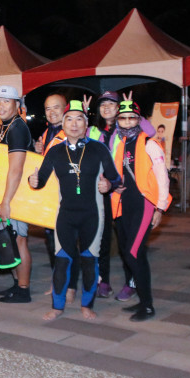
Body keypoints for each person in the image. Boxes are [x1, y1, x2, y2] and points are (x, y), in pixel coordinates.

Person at [29, 100, 121, 321]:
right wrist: (32, 180)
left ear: (86, 124)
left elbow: (116, 178)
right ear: (63, 124)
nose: (74, 124)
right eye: (69, 119)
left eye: (79, 119)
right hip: (66, 216)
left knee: (89, 260)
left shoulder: (99, 149)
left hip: (93, 215)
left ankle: (87, 305)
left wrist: (108, 185)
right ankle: (57, 307)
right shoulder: (55, 151)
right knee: (62, 260)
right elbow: (40, 180)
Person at [86, 91, 154, 301]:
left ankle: (131, 282)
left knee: (128, 242)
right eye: (102, 104)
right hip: (99, 191)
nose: (106, 107)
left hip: (123, 193)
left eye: (112, 104)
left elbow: (150, 131)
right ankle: (103, 281)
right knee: (102, 239)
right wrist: (84, 113)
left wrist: (130, 108)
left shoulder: (126, 128)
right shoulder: (93, 130)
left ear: (118, 108)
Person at [110, 100, 171, 321]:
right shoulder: (121, 143)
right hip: (125, 204)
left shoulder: (149, 144)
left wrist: (160, 208)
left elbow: (163, 177)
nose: (127, 122)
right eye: (123, 118)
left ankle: (148, 306)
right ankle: (143, 301)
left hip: (144, 204)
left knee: (133, 253)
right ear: (118, 121)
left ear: (139, 119)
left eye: (131, 118)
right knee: (134, 253)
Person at [0, 86, 33, 303]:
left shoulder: (17, 128)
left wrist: (6, 201)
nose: (1, 105)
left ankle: (24, 290)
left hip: (17, 196)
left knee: (19, 240)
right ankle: (17, 285)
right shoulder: (6, 126)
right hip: (9, 194)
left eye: (6, 101)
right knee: (11, 239)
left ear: (17, 104)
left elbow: (16, 169)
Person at [34, 93, 74, 298]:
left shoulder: (71, 132)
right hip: (49, 197)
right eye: (48, 109)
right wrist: (38, 151)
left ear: (65, 108)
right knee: (51, 241)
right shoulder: (46, 133)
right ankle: (58, 282)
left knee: (67, 241)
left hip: (68, 197)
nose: (51, 112)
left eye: (56, 107)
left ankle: (70, 286)